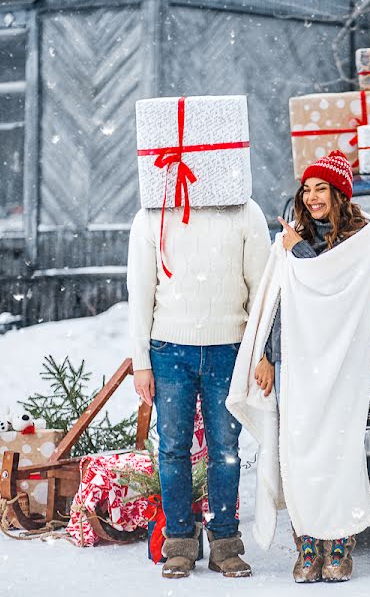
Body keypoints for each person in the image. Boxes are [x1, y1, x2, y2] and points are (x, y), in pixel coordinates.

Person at [227, 151, 370, 584]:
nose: (312, 198)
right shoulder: (291, 240)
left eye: (321, 189)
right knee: (300, 452)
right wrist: (267, 356)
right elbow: (280, 302)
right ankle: (308, 545)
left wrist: (302, 250)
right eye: (307, 189)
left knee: (339, 451)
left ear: (338, 194)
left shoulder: (362, 237)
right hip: (297, 365)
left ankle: (339, 546)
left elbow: (328, 284)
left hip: (342, 366)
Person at [127, 196, 270, 579]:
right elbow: (139, 291)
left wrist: (259, 352)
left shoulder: (244, 210)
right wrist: (141, 362)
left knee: (225, 448)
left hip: (229, 348)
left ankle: (225, 545)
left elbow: (261, 290)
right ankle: (179, 544)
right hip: (170, 349)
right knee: (174, 448)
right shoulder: (152, 214)